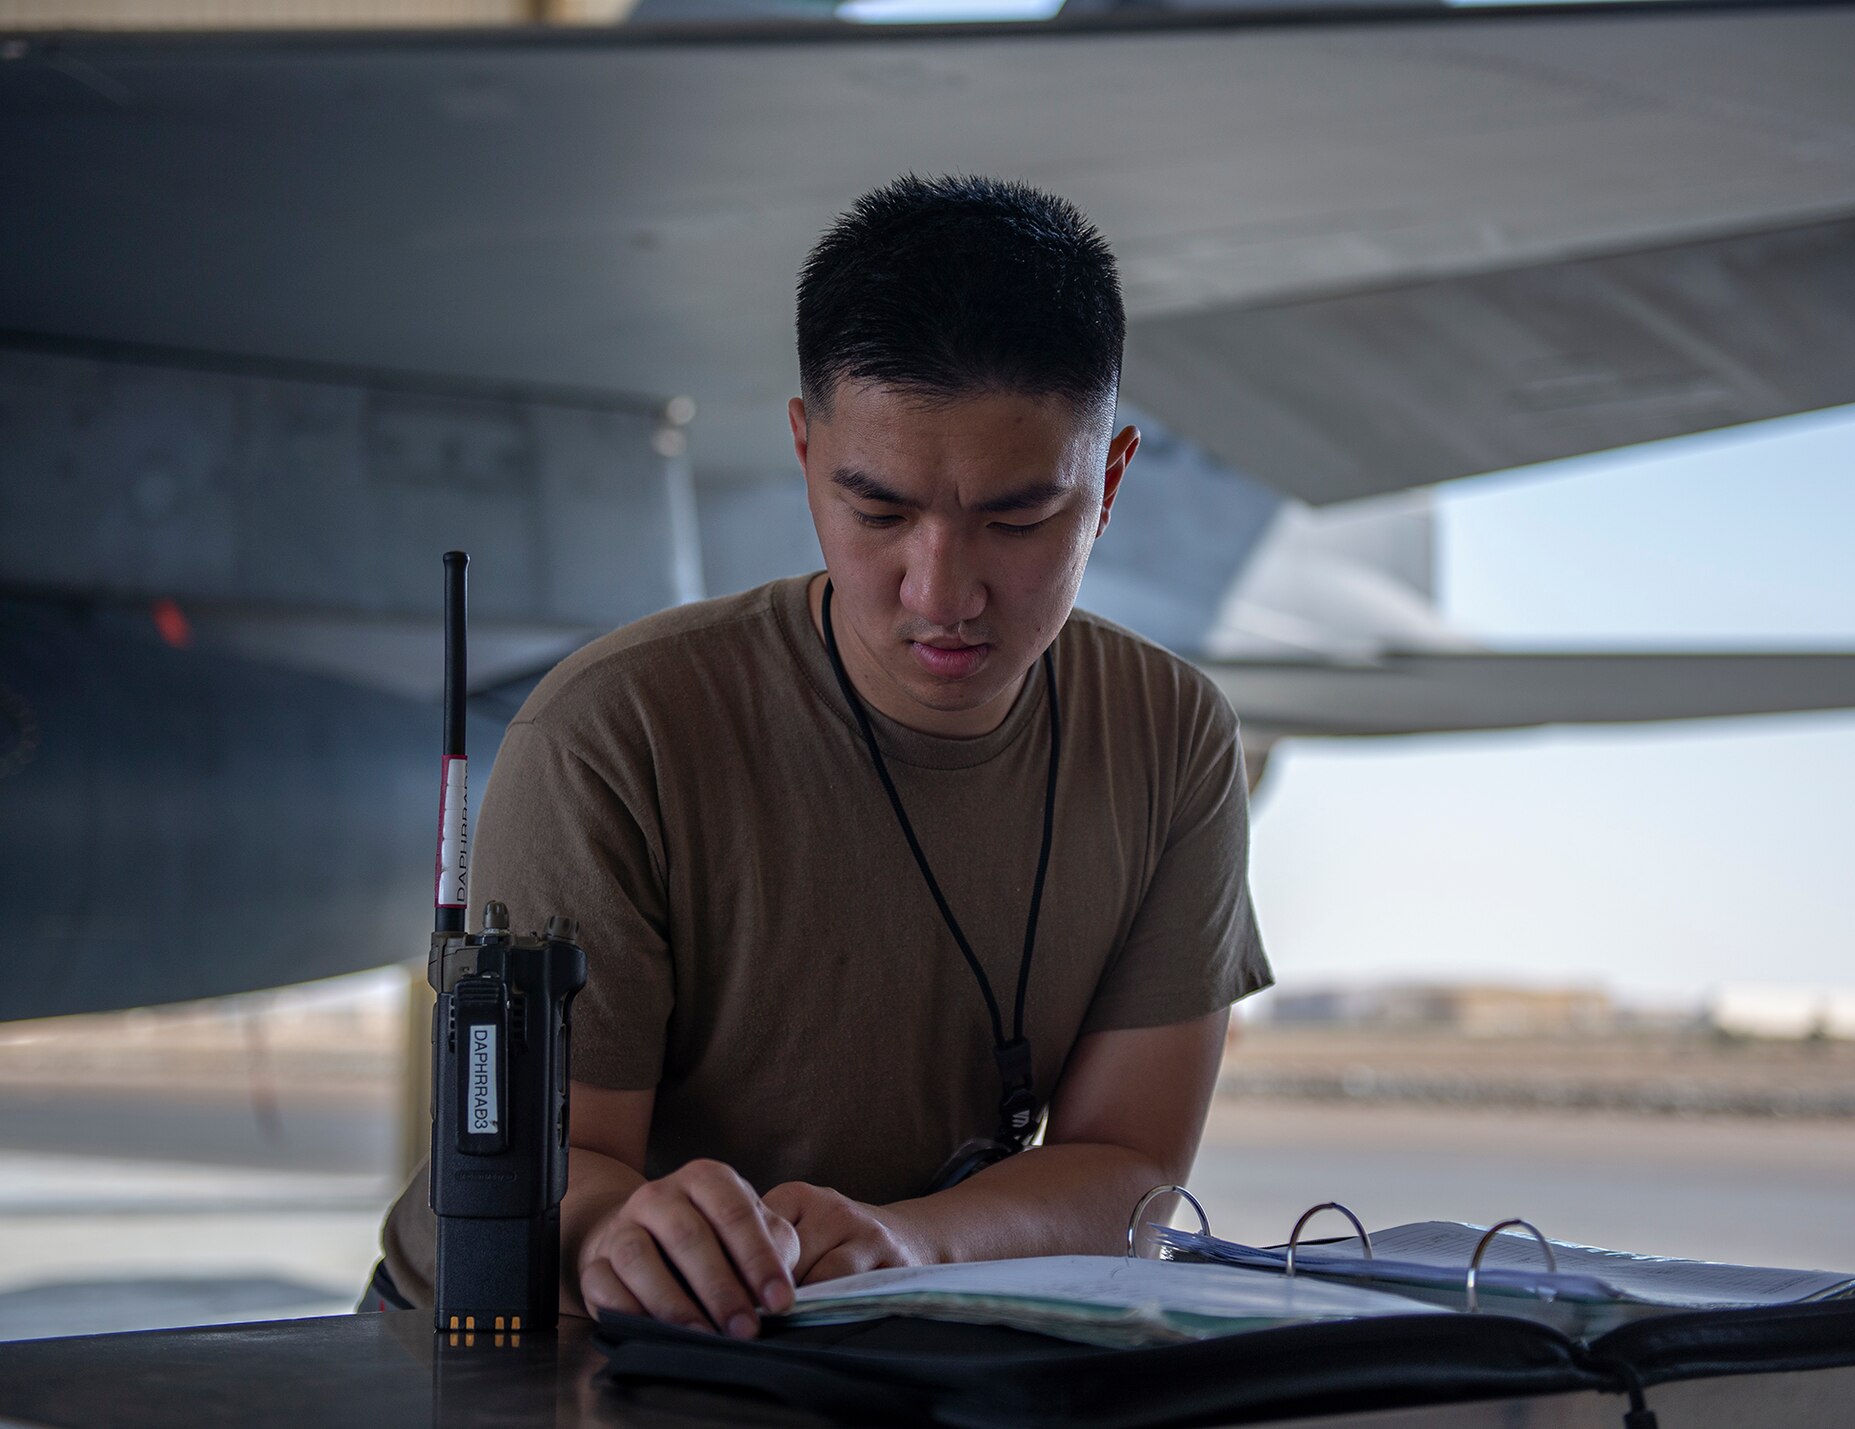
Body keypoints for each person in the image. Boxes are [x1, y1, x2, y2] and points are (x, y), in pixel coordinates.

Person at [372, 174, 1271, 1335]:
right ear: (805, 453)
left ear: (1106, 483)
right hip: (509, 1347)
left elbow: (1127, 1164)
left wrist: (913, 1243)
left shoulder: (1170, 737)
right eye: (879, 512)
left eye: (1015, 520)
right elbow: (546, 1166)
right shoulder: (614, 733)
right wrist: (621, 1228)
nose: (940, 591)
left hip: (874, 1336)